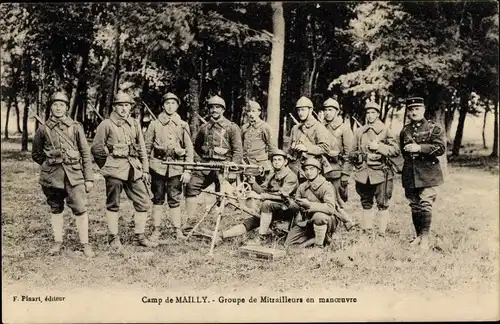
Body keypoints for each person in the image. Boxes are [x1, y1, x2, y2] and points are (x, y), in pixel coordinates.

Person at [91, 91, 157, 250]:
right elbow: (96, 148)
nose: (124, 109)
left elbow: (141, 149)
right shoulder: (106, 124)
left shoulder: (134, 124)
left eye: (126, 105)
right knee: (113, 204)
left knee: (144, 201)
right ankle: (113, 236)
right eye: (120, 105)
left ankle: (139, 235)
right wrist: (107, 165)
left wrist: (146, 170)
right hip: (114, 170)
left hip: (133, 169)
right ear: (114, 107)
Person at [32, 91, 95, 257]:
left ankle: (85, 243)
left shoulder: (75, 127)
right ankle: (57, 241)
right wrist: (50, 165)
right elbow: (36, 154)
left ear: (66, 108)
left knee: (80, 208)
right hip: (52, 177)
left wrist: (88, 178)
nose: (58, 108)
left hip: (74, 175)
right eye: (55, 105)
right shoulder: (43, 129)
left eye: (62, 105)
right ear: (51, 107)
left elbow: (85, 153)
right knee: (55, 208)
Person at [205, 148, 299, 245]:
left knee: (266, 204)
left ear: (285, 161)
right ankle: (221, 235)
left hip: (288, 208)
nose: (276, 162)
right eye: (274, 160)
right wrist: (253, 183)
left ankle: (261, 239)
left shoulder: (291, 176)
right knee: (251, 221)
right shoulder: (272, 174)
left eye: (279, 160)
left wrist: (260, 197)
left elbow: (282, 196)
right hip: (274, 207)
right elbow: (263, 191)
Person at [184, 95, 243, 226]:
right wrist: (199, 161)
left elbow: (238, 151)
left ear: (223, 110)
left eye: (217, 107)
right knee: (191, 186)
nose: (214, 110)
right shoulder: (204, 128)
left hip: (224, 166)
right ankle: (190, 221)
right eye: (212, 107)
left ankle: (220, 224)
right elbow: (196, 148)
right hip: (206, 166)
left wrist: (233, 165)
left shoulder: (232, 128)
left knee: (223, 193)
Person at [144, 92, 194, 241]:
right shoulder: (154, 124)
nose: (170, 106)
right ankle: (156, 229)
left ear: (177, 106)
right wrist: (146, 170)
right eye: (167, 103)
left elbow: (189, 149)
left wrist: (188, 170)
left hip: (176, 168)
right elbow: (146, 148)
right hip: (157, 167)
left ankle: (177, 229)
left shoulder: (183, 125)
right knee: (157, 198)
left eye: (173, 103)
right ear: (163, 105)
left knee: (174, 198)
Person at [400, 97, 446, 251]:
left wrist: (419, 148)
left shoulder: (434, 128)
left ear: (424, 110)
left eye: (417, 109)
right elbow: (403, 151)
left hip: (428, 173)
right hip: (411, 173)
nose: (414, 112)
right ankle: (418, 236)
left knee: (425, 203)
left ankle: (425, 239)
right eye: (411, 109)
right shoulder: (405, 130)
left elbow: (440, 149)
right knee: (414, 205)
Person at [351, 101, 400, 235]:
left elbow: (396, 150)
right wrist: (357, 158)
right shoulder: (359, 131)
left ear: (378, 114)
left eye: (373, 112)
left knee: (382, 202)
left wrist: (379, 147)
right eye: (368, 112)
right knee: (365, 201)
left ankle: (381, 231)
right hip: (363, 172)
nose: (370, 115)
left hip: (380, 172)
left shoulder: (385, 130)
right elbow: (352, 151)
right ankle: (367, 229)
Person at [284, 157, 339, 251]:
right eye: (306, 169)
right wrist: (290, 203)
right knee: (288, 244)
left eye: (312, 169)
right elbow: (298, 207)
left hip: (327, 220)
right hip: (308, 220)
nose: (309, 172)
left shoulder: (326, 186)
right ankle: (320, 238)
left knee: (319, 216)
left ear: (319, 171)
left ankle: (319, 246)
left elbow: (330, 208)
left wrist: (309, 205)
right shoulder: (302, 187)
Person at [321, 98, 356, 230]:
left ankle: (344, 222)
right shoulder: (320, 127)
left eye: (330, 110)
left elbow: (350, 154)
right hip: (322, 169)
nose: (327, 113)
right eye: (325, 110)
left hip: (337, 170)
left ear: (337, 112)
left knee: (338, 200)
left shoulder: (344, 129)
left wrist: (346, 174)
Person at [288, 96, 333, 179]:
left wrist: (306, 148)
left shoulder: (318, 127)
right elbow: (289, 151)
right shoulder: (295, 128)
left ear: (311, 110)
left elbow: (325, 148)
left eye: (303, 110)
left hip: (312, 170)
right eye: (298, 110)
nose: (300, 113)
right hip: (295, 169)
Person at [241, 100, 276, 184]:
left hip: (260, 165)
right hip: (246, 164)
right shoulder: (244, 128)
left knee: (261, 188)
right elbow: (241, 145)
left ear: (259, 112)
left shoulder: (265, 127)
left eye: (253, 111)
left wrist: (271, 164)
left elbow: (272, 148)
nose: (251, 114)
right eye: (248, 111)